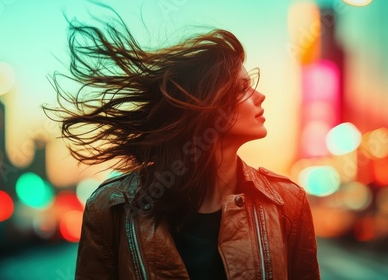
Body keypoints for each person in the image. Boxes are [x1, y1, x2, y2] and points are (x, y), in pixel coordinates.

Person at [47, 9, 320, 280]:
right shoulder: (111, 209)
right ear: (206, 105)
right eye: (241, 88)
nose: (260, 96)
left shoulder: (287, 204)